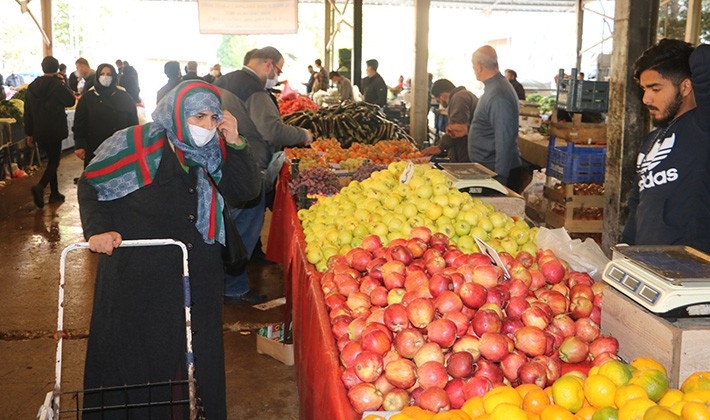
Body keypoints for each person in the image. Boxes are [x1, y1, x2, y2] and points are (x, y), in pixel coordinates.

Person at [78, 80, 260, 419]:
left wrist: (234, 141)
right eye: (197, 117)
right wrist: (98, 230)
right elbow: (91, 186)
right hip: (141, 275)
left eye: (212, 117)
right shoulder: (133, 144)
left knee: (195, 353)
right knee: (140, 359)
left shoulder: (214, 150)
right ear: (175, 114)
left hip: (198, 273)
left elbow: (246, 190)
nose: (206, 126)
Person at [216, 46, 313, 305]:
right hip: (246, 164)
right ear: (268, 65)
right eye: (278, 70)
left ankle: (230, 272)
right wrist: (303, 135)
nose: (277, 76)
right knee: (245, 223)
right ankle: (234, 287)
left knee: (227, 225)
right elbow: (270, 130)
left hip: (221, 162)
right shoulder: (254, 89)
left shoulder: (223, 80)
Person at [622, 40, 710, 253]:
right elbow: (637, 203)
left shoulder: (703, 126)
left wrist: (677, 55)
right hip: (648, 267)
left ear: (686, 86)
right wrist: (625, 250)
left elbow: (704, 57)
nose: (646, 98)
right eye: (644, 89)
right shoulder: (652, 139)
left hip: (689, 272)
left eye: (655, 88)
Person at [24, 56, 77, 208]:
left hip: (39, 129)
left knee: (50, 161)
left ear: (42, 68)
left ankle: (54, 193)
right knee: (55, 161)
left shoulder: (32, 86)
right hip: (55, 128)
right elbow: (70, 101)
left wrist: (29, 133)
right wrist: (63, 82)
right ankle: (40, 187)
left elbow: (27, 112)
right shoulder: (58, 85)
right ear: (56, 69)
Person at [468, 45, 523, 190]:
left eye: (473, 66)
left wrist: (499, 184)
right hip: (488, 170)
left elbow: (504, 140)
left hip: (496, 174)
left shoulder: (499, 94)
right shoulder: (494, 88)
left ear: (479, 67)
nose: (473, 70)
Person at [72, 63, 139, 168]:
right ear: (98, 76)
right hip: (95, 147)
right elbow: (79, 123)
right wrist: (79, 145)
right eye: (102, 74)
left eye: (109, 74)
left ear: (114, 77)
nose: (105, 77)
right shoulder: (88, 97)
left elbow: (133, 122)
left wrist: (134, 143)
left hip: (119, 147)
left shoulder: (124, 96)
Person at [423, 78, 478, 163]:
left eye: (438, 100)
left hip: (467, 151)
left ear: (442, 95)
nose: (439, 103)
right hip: (469, 148)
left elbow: (456, 129)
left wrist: (440, 147)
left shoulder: (460, 97)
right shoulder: (463, 95)